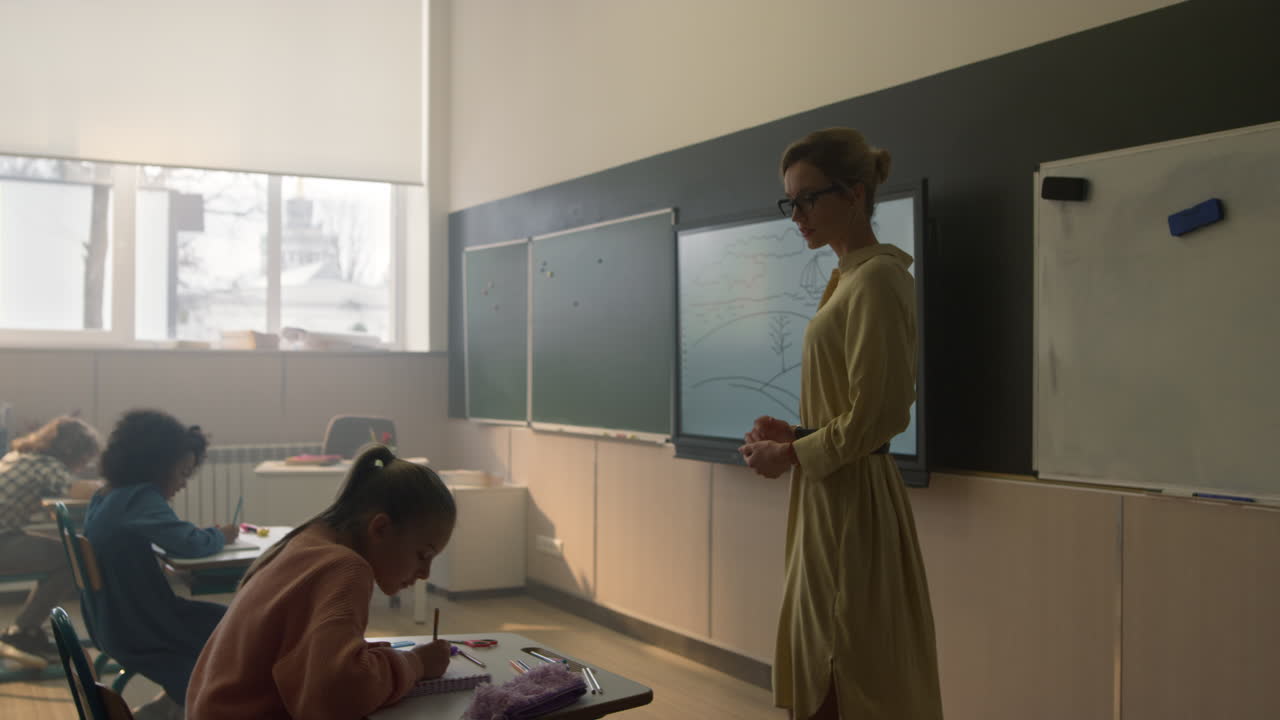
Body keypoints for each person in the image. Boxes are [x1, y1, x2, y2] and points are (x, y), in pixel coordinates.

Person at [738, 128, 943, 720]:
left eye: (808, 198)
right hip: (829, 495)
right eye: (790, 202)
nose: (796, 215)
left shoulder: (878, 279)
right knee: (826, 659)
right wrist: (796, 438)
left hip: (853, 504)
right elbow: (852, 413)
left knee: (847, 669)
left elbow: (878, 417)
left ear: (854, 193)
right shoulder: (849, 276)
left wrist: (794, 455)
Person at [186, 444, 456, 720]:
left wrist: (372, 661)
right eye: (423, 555)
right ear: (381, 528)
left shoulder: (304, 542)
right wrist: (416, 664)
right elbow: (337, 698)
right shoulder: (343, 568)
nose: (425, 573)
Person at [84, 409, 236, 720]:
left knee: (227, 621)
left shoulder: (106, 495)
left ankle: (166, 708)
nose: (182, 484)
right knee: (239, 627)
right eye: (181, 473)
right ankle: (194, 702)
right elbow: (190, 543)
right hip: (145, 626)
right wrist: (219, 536)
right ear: (155, 466)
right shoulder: (140, 498)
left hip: (113, 620)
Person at [0, 415, 101, 668]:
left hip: (6, 534)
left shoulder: (19, 456)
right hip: (3, 540)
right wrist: (111, 487)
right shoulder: (47, 464)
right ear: (73, 452)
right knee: (74, 557)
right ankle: (23, 630)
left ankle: (27, 629)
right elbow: (78, 490)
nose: (83, 464)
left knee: (65, 550)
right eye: (85, 458)